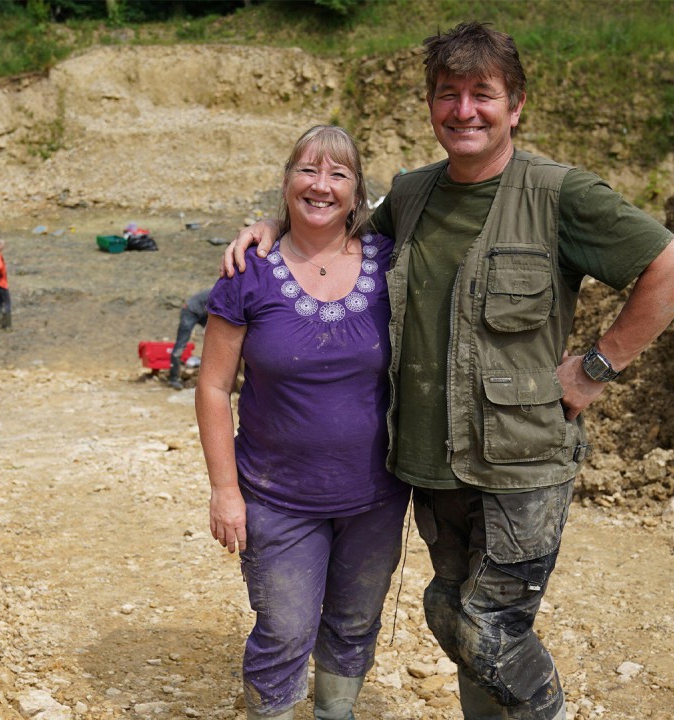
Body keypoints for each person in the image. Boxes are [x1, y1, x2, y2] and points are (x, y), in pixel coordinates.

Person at [225, 23, 674, 720]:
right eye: (448, 94)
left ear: (515, 107)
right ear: (430, 106)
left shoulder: (559, 194)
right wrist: (267, 229)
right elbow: (332, 232)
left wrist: (597, 366)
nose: (464, 110)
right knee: (452, 613)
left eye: (483, 94)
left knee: (489, 627)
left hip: (520, 463)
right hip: (430, 463)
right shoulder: (414, 196)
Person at [198, 125, 410, 720]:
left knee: (354, 620)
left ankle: (334, 712)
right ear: (287, 180)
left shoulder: (391, 262)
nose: (321, 186)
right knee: (286, 631)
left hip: (375, 493)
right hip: (276, 495)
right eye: (307, 170)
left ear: (358, 191)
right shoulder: (250, 269)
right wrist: (224, 490)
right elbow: (214, 387)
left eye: (338, 174)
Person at [167, 288, 210, 390]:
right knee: (181, 343)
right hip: (189, 311)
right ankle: (173, 378)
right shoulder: (222, 293)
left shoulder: (225, 292)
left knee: (214, 337)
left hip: (202, 312)